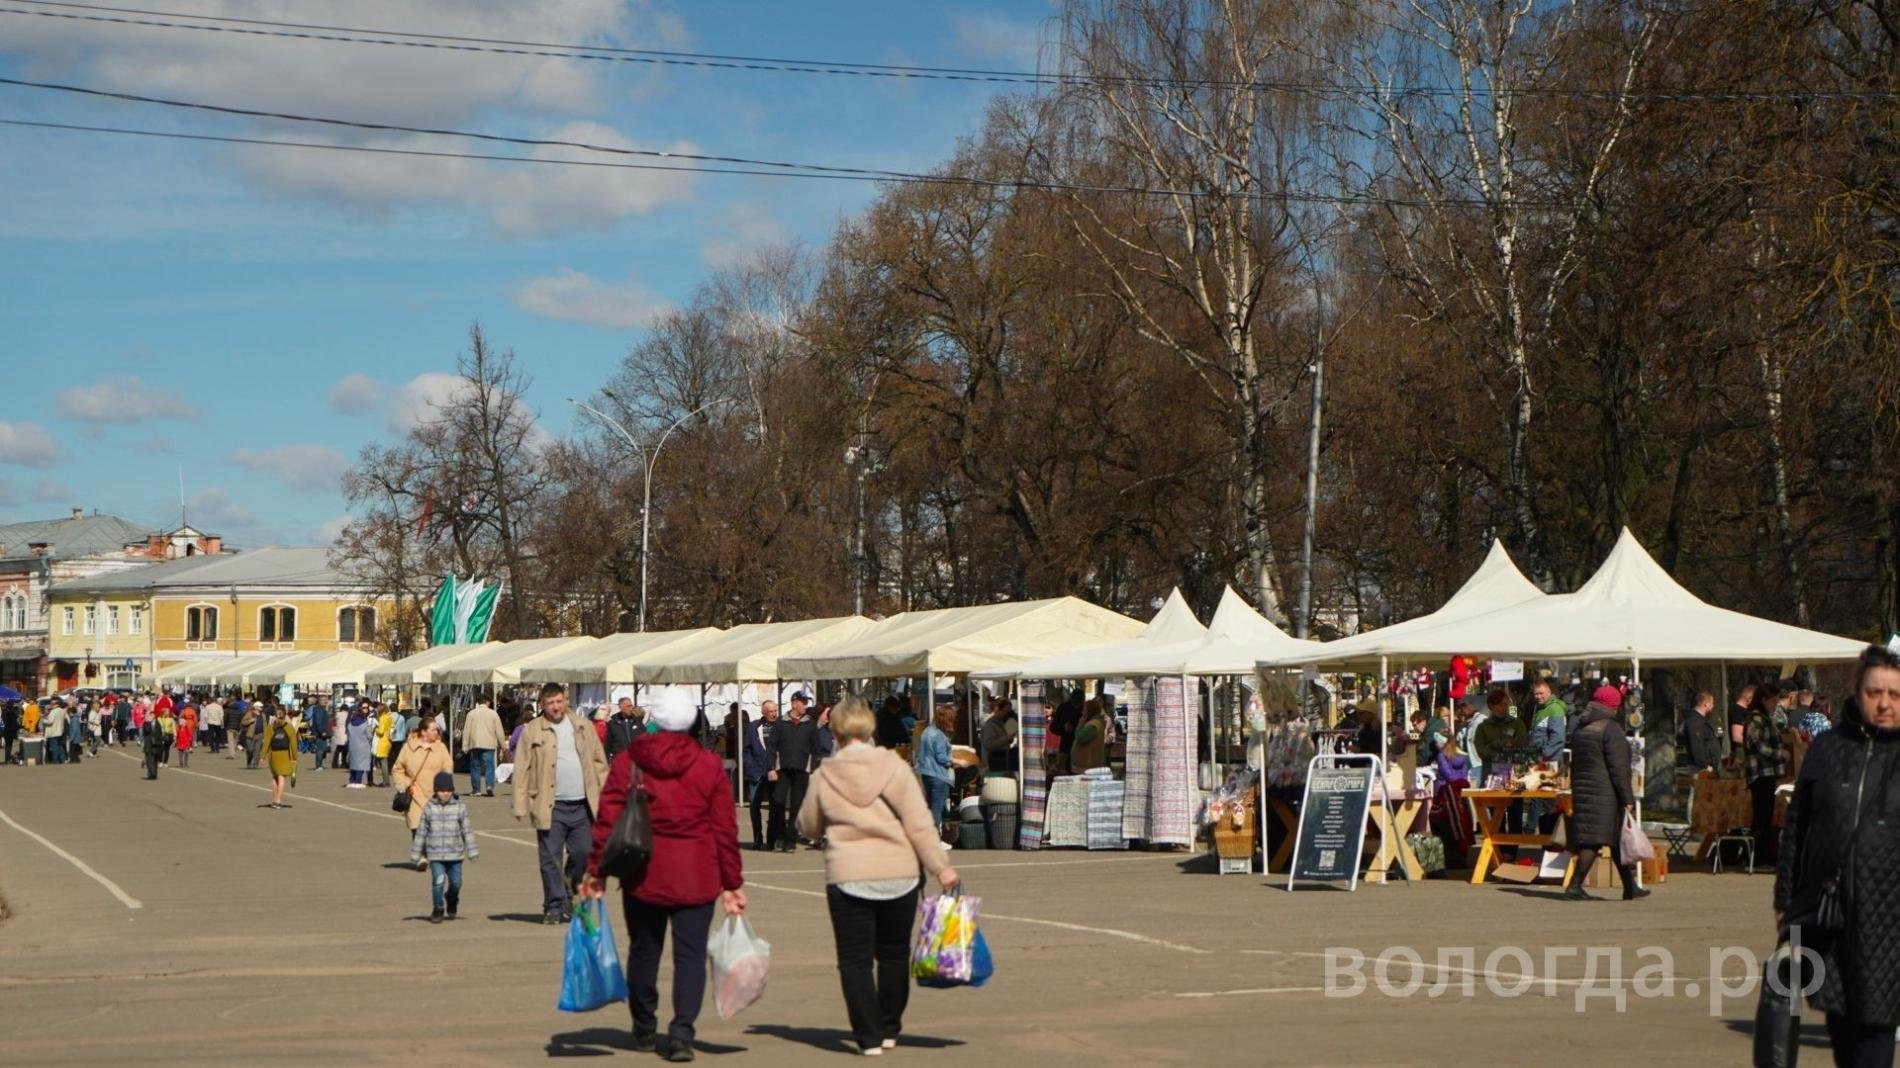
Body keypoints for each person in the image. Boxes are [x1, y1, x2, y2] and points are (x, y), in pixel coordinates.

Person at [582, 688, 745, 1062]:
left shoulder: (629, 762)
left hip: (643, 874)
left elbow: (608, 818)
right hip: (697, 875)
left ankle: (643, 1026)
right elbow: (725, 828)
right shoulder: (708, 765)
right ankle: (682, 1033)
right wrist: (732, 883)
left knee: (643, 951)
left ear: (654, 718)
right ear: (691, 720)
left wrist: (596, 871)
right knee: (690, 957)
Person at [796, 695, 959, 1057]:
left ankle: (868, 1036)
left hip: (848, 875)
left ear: (835, 731)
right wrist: (941, 868)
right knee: (894, 955)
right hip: (899, 873)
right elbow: (919, 825)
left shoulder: (824, 775)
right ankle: (889, 1027)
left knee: (854, 961)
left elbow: (807, 825)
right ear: (869, 727)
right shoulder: (895, 767)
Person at [1775, 644, 1900, 1066]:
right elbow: (1798, 827)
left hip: (1890, 925)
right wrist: (1785, 901)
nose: (1884, 703)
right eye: (1874, 692)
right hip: (1829, 920)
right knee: (1844, 1035)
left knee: (1875, 1039)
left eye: (1894, 694)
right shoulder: (1828, 748)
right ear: (1856, 692)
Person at [513, 682, 610, 925]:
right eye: (550, 703)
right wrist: (520, 804)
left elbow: (599, 762)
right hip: (550, 806)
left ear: (565, 701)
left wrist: (608, 797)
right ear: (543, 705)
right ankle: (554, 907)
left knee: (584, 854)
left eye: (559, 701)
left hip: (582, 806)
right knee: (550, 860)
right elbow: (521, 767)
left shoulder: (582, 725)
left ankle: (568, 888)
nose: (555, 707)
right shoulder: (533, 730)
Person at [1562, 686, 1647, 902]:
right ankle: (1575, 885)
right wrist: (1627, 797)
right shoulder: (1610, 729)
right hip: (1604, 792)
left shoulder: (1581, 727)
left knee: (1616, 839)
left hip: (1584, 789)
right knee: (1594, 840)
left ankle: (1630, 887)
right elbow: (1619, 767)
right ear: (1614, 706)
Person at [410, 771, 478, 924]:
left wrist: (472, 850)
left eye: (448, 790)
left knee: (456, 883)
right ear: (435, 791)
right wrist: (416, 854)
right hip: (436, 855)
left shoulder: (459, 807)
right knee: (438, 881)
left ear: (453, 791)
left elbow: (466, 830)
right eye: (441, 790)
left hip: (455, 855)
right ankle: (438, 908)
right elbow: (421, 832)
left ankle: (451, 899)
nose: (445, 794)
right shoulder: (429, 808)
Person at [1744, 681, 1794, 865]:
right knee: (1761, 817)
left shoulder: (1766, 718)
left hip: (1769, 773)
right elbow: (1756, 745)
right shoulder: (1755, 719)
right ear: (1763, 700)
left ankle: (1762, 855)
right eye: (1772, 701)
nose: (1775, 704)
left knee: (1767, 816)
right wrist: (1779, 753)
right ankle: (1755, 857)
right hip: (1760, 773)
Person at [765, 694, 821, 853]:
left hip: (802, 771)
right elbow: (771, 748)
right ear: (794, 704)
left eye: (806, 703)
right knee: (777, 802)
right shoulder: (780, 724)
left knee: (797, 806)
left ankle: (790, 841)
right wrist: (771, 768)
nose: (805, 706)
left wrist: (814, 771)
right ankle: (774, 837)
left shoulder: (810, 724)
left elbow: (816, 750)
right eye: (803, 703)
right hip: (782, 770)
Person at [393, 716, 453, 853]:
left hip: (435, 794)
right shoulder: (408, 748)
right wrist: (402, 784)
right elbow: (398, 768)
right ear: (423, 732)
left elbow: (448, 766)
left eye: (437, 730)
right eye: (433, 730)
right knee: (417, 826)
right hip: (415, 793)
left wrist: (446, 785)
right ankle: (421, 855)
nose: (437, 732)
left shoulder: (441, 747)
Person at [744, 700, 778, 850]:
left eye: (775, 710)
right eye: (771, 711)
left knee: (775, 806)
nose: (774, 714)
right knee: (754, 806)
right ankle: (758, 839)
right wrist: (750, 767)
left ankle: (773, 840)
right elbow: (746, 750)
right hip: (756, 772)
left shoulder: (780, 727)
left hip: (774, 772)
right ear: (763, 712)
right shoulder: (753, 727)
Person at [914, 705, 955, 830]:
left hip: (926, 773)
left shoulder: (927, 731)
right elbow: (941, 758)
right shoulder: (939, 735)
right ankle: (933, 837)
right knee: (936, 808)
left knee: (932, 805)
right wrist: (954, 762)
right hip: (939, 775)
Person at [462, 695, 506, 798]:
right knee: (489, 766)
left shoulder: (471, 714)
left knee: (475, 767)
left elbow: (466, 730)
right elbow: (499, 731)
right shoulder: (493, 714)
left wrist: (465, 745)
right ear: (487, 702)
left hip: (475, 744)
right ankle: (489, 786)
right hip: (489, 744)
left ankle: (476, 790)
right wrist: (503, 745)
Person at [264, 704, 299, 808]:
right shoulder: (289, 727)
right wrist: (295, 757)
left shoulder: (270, 727)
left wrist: (263, 755)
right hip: (285, 754)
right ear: (285, 715)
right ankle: (278, 801)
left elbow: (266, 742)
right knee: (282, 777)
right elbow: (293, 743)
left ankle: (274, 799)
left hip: (273, 754)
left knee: (275, 778)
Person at [1682, 691, 1723, 771]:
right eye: (1712, 703)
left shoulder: (1699, 721)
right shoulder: (1694, 721)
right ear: (1706, 704)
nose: (1713, 706)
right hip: (1701, 769)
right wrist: (1705, 766)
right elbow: (1696, 745)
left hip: (1705, 767)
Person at [1069, 699, 1109, 774]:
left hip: (1088, 767)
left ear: (1090, 710)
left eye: (1084, 709)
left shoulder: (1094, 724)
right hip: (1086, 766)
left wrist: (1080, 724)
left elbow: (1080, 738)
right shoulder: (1093, 723)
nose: (1082, 711)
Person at [1050, 688, 1085, 774]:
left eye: (1080, 702)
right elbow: (1053, 727)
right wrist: (1063, 728)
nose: (1078, 705)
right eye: (1076, 702)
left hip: (1081, 747)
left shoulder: (1085, 709)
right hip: (1066, 748)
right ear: (1072, 699)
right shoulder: (1063, 708)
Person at [980, 697, 1018, 773]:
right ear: (997, 709)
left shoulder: (1002, 723)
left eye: (1009, 712)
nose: (1007, 714)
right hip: (993, 764)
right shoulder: (990, 725)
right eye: (1005, 711)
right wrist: (1007, 738)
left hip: (1002, 762)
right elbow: (989, 744)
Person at [345, 702, 376, 788]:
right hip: (363, 746)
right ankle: (358, 781)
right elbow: (369, 736)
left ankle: (352, 781)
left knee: (353, 764)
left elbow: (348, 734)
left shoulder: (350, 724)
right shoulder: (365, 724)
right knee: (361, 765)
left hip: (352, 746)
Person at [604, 694, 642, 762]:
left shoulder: (637, 722)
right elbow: (607, 745)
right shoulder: (613, 724)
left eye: (631, 706)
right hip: (619, 760)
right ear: (621, 707)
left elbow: (644, 739)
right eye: (628, 706)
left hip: (636, 760)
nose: (631, 708)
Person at [1728, 681, 1758, 750]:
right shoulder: (1737, 711)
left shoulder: (1740, 710)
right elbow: (1737, 737)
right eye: (1756, 699)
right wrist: (1756, 747)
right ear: (1750, 698)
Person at [371, 704, 394, 788]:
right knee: (384, 761)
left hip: (382, 742)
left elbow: (380, 732)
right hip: (388, 741)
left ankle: (386, 781)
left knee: (383, 762)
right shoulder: (389, 717)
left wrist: (375, 729)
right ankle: (386, 781)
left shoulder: (382, 718)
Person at [304, 696, 329, 770]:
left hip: (320, 731)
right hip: (319, 732)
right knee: (320, 749)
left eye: (326, 700)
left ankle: (320, 764)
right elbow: (318, 721)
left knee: (322, 749)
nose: (325, 701)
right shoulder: (319, 709)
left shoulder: (321, 709)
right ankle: (318, 766)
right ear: (320, 701)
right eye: (324, 700)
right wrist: (322, 731)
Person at [237, 702, 263, 769]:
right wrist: (250, 721)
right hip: (250, 734)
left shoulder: (263, 715)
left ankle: (255, 764)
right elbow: (243, 722)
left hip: (260, 734)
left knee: (257, 751)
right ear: (256, 707)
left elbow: (265, 725)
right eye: (260, 707)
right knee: (250, 749)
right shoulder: (250, 713)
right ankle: (249, 762)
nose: (261, 708)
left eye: (262, 707)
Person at [174, 702, 196, 769]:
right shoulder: (193, 711)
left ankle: (181, 763)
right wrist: (195, 725)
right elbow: (195, 719)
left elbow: (179, 717)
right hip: (191, 724)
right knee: (191, 735)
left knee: (180, 752)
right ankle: (185, 763)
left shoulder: (183, 711)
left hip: (185, 723)